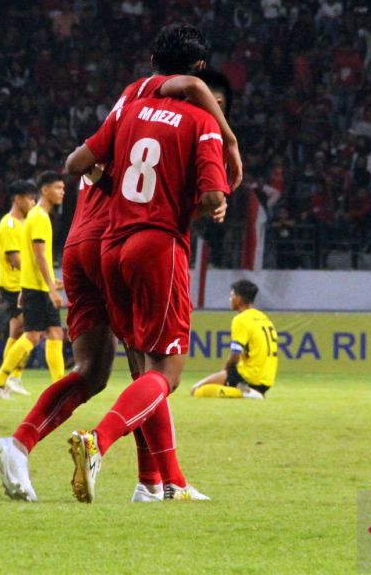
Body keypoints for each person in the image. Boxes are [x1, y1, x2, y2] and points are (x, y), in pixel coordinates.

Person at [0, 35, 240, 503]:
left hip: (85, 241)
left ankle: (25, 445)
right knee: (156, 366)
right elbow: (208, 182)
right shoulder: (193, 117)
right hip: (125, 238)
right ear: (196, 76)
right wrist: (224, 135)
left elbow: (78, 162)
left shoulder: (130, 100)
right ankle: (139, 468)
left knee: (97, 369)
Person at [65, 83, 230, 502]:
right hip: (157, 245)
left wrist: (112, 189)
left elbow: (78, 163)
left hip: (111, 246)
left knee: (142, 369)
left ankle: (156, 482)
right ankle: (97, 442)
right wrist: (205, 206)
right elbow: (213, 194)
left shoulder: (130, 111)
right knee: (166, 373)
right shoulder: (201, 121)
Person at [0, 172, 65, 397]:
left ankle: (58, 387)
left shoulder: (33, 217)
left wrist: (42, 281)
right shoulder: (38, 217)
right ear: (45, 190)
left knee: (54, 333)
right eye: (58, 188)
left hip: (33, 285)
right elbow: (38, 255)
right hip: (37, 287)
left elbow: (33, 257)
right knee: (32, 335)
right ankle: (0, 380)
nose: (62, 192)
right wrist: (50, 286)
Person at [0, 179, 37, 395]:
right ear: (18, 199)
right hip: (14, 285)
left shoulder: (25, 223)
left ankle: (7, 379)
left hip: (23, 283)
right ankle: (8, 378)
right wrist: (39, 276)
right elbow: (15, 259)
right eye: (30, 199)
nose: (34, 203)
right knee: (30, 330)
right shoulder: (8, 225)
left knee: (17, 332)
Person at [190, 280, 277, 398]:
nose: (230, 299)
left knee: (196, 390)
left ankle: (246, 393)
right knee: (219, 384)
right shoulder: (265, 319)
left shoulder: (241, 319)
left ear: (239, 299)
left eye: (232, 295)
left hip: (248, 376)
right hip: (267, 380)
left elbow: (235, 355)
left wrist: (225, 372)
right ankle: (248, 391)